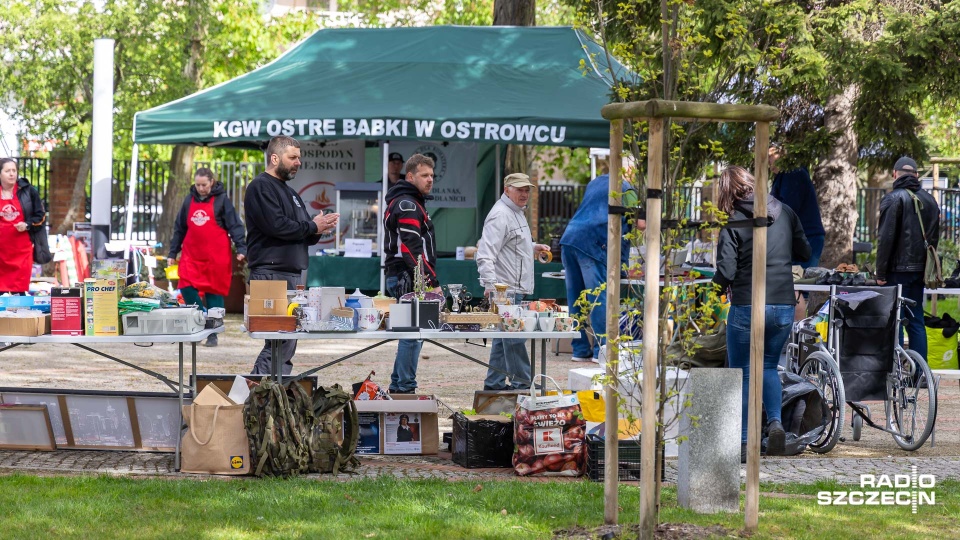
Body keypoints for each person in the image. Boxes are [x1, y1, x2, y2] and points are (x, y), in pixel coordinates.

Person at [712, 165, 811, 462]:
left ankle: (742, 442)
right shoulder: (786, 212)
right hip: (783, 304)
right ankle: (776, 423)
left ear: (727, 193)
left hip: (747, 304)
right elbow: (804, 252)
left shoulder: (732, 224)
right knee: (768, 367)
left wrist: (714, 287)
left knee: (742, 373)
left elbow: (727, 270)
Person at [244, 136, 340, 375]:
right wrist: (311, 227)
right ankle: (258, 393)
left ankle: (273, 394)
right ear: (275, 158)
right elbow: (277, 226)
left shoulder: (291, 193)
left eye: (299, 158)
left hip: (291, 274)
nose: (298, 162)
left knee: (288, 339)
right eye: (293, 157)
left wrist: (318, 228)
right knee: (279, 339)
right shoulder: (261, 186)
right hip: (270, 273)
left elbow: (302, 231)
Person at [476, 173, 551, 390]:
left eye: (527, 189)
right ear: (507, 189)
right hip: (506, 291)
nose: (524, 194)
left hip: (512, 289)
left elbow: (511, 244)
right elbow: (485, 254)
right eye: (519, 189)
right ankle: (523, 385)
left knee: (504, 340)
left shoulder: (515, 212)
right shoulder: (501, 214)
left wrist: (533, 247)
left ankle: (494, 384)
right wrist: (491, 286)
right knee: (515, 339)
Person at [559, 174, 640, 362]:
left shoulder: (596, 182)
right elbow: (641, 223)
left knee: (576, 300)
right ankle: (601, 351)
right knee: (598, 298)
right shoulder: (627, 189)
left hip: (570, 238)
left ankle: (579, 350)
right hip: (592, 244)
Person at [167, 168, 247, 347]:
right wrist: (173, 252)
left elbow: (235, 225)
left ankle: (213, 333)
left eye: (204, 184)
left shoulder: (222, 200)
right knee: (186, 287)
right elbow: (180, 228)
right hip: (191, 256)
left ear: (212, 182)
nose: (201, 188)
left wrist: (241, 247)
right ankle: (200, 321)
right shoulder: (188, 200)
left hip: (215, 257)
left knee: (214, 293)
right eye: (198, 185)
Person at [383, 154, 441, 394]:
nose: (430, 180)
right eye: (424, 175)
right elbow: (411, 249)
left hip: (405, 276)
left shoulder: (409, 201)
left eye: (432, 176)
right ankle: (405, 389)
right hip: (408, 277)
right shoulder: (406, 203)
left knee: (411, 333)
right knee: (412, 334)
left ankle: (399, 386)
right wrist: (431, 283)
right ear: (410, 176)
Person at [876, 156, 940, 362]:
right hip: (920, 270)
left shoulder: (893, 198)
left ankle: (893, 372)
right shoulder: (930, 200)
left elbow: (885, 239)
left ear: (895, 174)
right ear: (916, 175)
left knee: (894, 320)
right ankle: (919, 374)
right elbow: (934, 238)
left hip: (897, 271)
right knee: (916, 320)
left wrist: (881, 273)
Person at [769, 144, 824, 268]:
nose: (768, 161)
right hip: (800, 239)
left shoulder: (792, 173)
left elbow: (787, 209)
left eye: (771, 156)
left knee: (800, 282)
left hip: (807, 238)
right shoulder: (784, 175)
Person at [0, 158, 45, 295]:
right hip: (1, 251)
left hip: (22, 249)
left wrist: (27, 224)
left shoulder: (28, 191)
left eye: (14, 170)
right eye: (7, 171)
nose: (12, 174)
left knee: (18, 291)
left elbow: (40, 215)